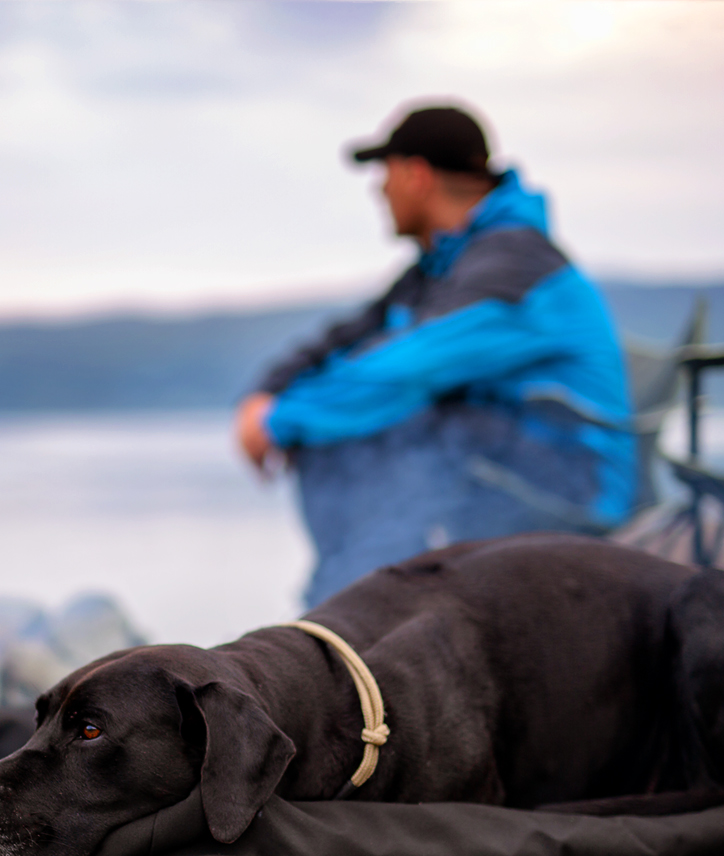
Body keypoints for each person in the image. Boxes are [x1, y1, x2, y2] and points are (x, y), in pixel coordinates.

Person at [235, 103, 635, 606]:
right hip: (498, 465)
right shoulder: (443, 264)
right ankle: (349, 603)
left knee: (402, 428)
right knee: (367, 432)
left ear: (416, 175)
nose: (379, 190)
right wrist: (267, 394)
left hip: (574, 484)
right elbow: (347, 337)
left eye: (385, 174)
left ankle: (352, 611)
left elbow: (404, 371)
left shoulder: (512, 266)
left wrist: (281, 423)